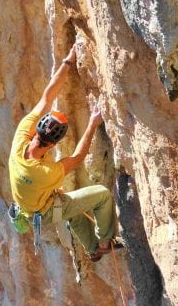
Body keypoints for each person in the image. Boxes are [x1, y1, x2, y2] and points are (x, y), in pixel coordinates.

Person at [8, 44, 118, 261]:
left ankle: (92, 250)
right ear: (51, 145)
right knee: (102, 195)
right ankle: (104, 244)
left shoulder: (20, 140)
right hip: (47, 213)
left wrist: (69, 60)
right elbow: (77, 158)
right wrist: (93, 123)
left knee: (72, 209)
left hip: (32, 212)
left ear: (36, 131)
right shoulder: (43, 172)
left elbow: (46, 98)